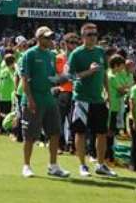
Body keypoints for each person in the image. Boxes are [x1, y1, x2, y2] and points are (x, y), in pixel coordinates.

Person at [19, 26, 69, 179]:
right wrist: (30, 99)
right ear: (39, 38)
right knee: (30, 135)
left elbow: (52, 78)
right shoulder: (30, 54)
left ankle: (53, 165)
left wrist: (67, 77)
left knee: (55, 132)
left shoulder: (50, 55)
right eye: (46, 37)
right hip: (34, 99)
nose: (49, 40)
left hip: (48, 98)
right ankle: (26, 165)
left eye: (50, 37)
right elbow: (25, 79)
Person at [67, 23, 114, 177]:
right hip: (82, 99)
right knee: (80, 133)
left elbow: (104, 74)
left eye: (95, 34)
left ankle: (101, 164)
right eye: (89, 34)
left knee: (101, 133)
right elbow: (71, 76)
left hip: (98, 100)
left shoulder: (101, 52)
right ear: (83, 37)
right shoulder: (76, 54)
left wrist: (108, 92)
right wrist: (90, 71)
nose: (93, 37)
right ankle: (82, 165)